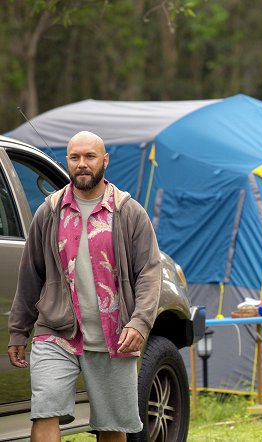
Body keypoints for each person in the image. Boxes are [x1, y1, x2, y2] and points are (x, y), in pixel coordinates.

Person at [7, 131, 161, 441]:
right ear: (67, 162)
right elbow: (30, 275)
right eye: (75, 157)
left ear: (104, 160)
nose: (82, 164)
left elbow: (149, 272)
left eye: (89, 157)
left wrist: (140, 322)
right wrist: (18, 330)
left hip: (113, 336)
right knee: (44, 411)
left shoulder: (128, 213)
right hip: (56, 332)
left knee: (112, 426)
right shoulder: (49, 212)